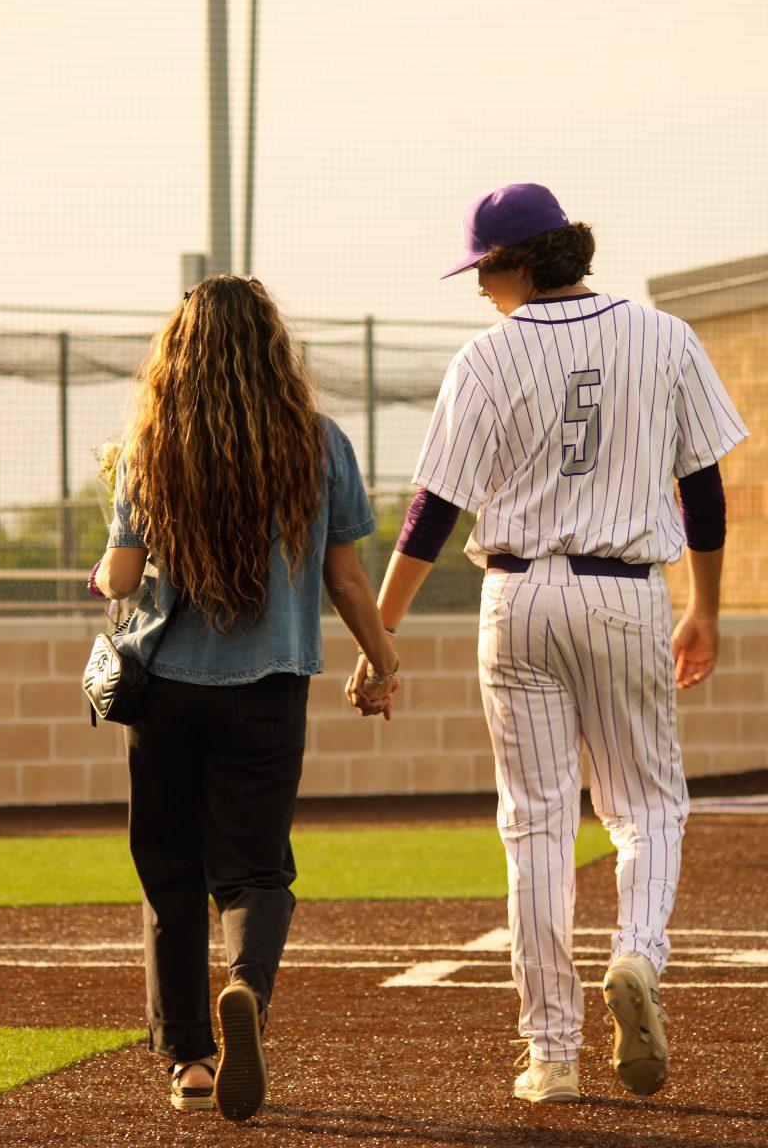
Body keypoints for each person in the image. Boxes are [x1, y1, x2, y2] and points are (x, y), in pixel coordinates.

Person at [348, 183, 748, 1102]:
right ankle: (639, 958)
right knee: (646, 807)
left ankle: (554, 1057)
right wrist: (707, 610)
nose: (480, 287)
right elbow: (706, 492)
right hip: (626, 594)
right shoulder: (664, 335)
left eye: (485, 268)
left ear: (523, 262)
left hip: (518, 597)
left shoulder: (485, 358)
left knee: (535, 825)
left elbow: (432, 511)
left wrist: (383, 635)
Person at [92, 275, 399, 1121]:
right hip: (267, 689)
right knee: (256, 871)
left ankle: (190, 1060)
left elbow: (119, 574)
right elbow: (346, 577)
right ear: (273, 347)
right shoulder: (319, 442)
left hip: (163, 695)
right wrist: (383, 662)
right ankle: (248, 993)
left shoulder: (149, 445)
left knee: (171, 876)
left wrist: (107, 571)